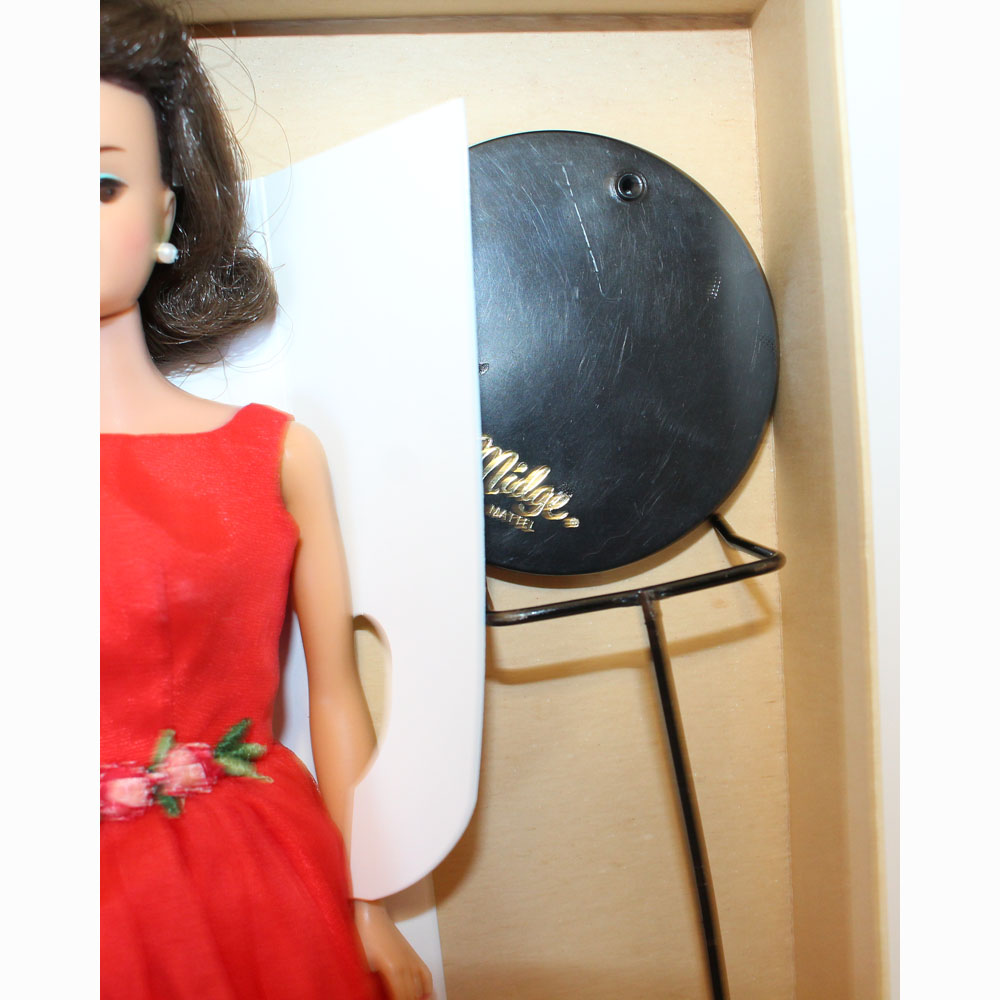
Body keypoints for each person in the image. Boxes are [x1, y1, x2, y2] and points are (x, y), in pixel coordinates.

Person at [100, 2, 433, 997]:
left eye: (99, 184)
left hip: (248, 882)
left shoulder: (272, 455)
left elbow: (335, 690)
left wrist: (368, 904)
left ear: (166, 214)